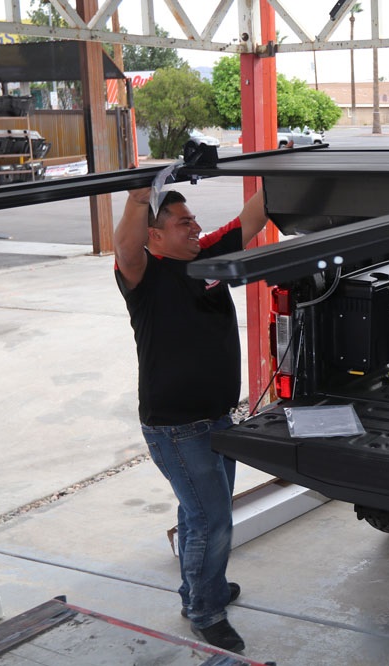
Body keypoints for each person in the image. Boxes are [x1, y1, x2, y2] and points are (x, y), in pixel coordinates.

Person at [114, 186, 270, 653]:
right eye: (184, 223)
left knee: (197, 513)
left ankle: (201, 590)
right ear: (155, 236)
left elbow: (252, 220)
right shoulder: (144, 274)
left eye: (194, 219)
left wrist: (276, 169)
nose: (196, 228)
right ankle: (206, 609)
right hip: (177, 428)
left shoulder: (208, 258)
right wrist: (139, 198)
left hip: (217, 419)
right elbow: (125, 245)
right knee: (211, 519)